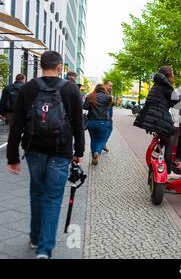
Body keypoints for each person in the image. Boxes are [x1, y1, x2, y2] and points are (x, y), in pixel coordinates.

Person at [6, 51, 85, 259]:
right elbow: (78, 123)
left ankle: (35, 237)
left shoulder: (28, 88)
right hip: (61, 151)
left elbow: (17, 125)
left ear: (41, 66)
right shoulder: (70, 89)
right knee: (53, 198)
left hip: (34, 149)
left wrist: (12, 157)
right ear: (60, 67)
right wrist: (79, 152)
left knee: (37, 193)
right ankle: (44, 249)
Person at [134, 66, 181, 174]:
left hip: (149, 116)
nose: (173, 76)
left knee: (170, 132)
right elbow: (177, 100)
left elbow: (168, 100)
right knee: (170, 139)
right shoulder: (165, 86)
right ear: (168, 75)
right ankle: (169, 171)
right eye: (172, 74)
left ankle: (157, 151)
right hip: (157, 117)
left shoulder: (158, 84)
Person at [83, 84, 113, 166]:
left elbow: (84, 107)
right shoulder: (108, 97)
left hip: (91, 121)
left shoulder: (90, 96)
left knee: (93, 139)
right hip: (103, 121)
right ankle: (97, 152)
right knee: (102, 139)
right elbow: (111, 105)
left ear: (95, 88)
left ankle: (93, 155)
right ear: (104, 89)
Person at [103, 81, 114, 153]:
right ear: (105, 85)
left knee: (109, 129)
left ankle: (103, 143)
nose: (111, 87)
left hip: (109, 117)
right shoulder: (104, 93)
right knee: (105, 131)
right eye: (109, 86)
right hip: (104, 117)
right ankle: (101, 145)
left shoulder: (109, 93)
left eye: (111, 86)